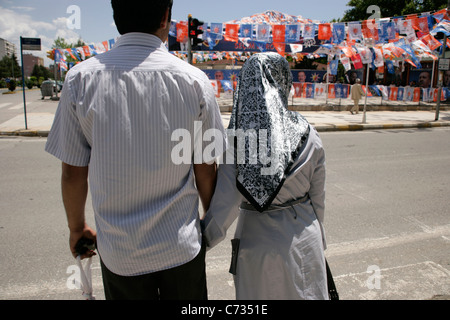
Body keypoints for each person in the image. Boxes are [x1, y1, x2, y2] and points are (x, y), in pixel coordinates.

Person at [45, 0, 226, 300]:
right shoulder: (195, 82)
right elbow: (206, 168)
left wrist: (77, 228)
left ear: (116, 16)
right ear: (166, 16)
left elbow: (72, 173)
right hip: (181, 247)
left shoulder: (80, 80)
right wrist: (209, 223)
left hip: (119, 254)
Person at [202, 52, 328, 300]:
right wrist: (318, 238)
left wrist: (201, 242)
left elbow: (225, 205)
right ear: (283, 82)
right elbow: (318, 199)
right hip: (304, 239)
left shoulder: (238, 139)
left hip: (256, 247)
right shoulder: (309, 133)